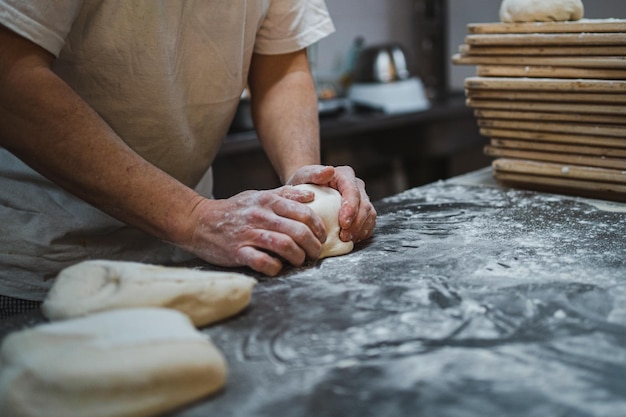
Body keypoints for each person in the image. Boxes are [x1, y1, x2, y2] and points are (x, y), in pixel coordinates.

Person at [0, 0, 376, 318]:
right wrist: (194, 217)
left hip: (190, 262)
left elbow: (280, 68)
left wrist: (306, 184)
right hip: (41, 267)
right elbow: (10, 78)